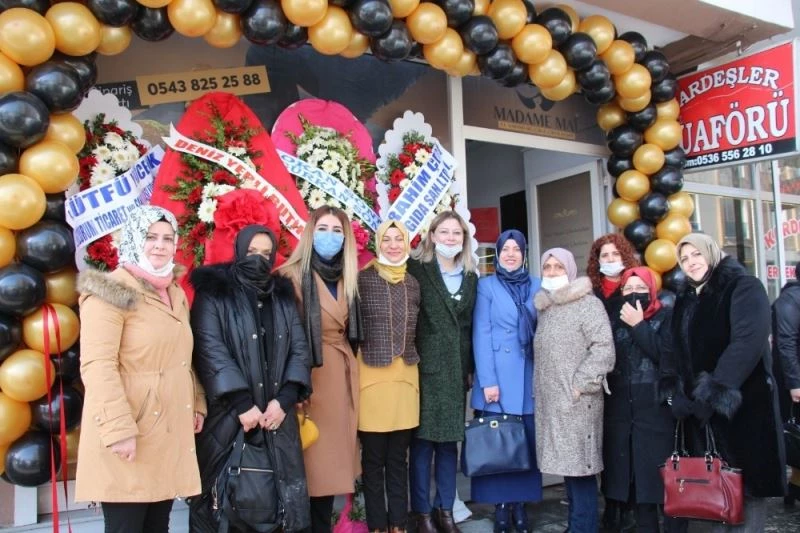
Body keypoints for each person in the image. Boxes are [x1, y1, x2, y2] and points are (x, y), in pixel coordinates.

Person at [75, 206, 206, 533]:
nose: (160, 245)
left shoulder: (173, 291)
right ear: (133, 238)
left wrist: (197, 402)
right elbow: (97, 366)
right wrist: (118, 430)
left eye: (167, 238)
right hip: (130, 431)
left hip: (166, 431)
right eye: (150, 237)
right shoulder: (110, 291)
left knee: (157, 526)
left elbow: (183, 357)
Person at [188, 225, 312, 532]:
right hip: (229, 419)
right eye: (252, 252)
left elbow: (299, 349)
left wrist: (284, 401)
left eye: (266, 254)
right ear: (239, 251)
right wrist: (241, 404)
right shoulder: (215, 294)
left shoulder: (281, 296)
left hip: (276, 420)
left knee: (279, 509)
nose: (259, 259)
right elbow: (209, 349)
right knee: (221, 507)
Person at [659, 233, 786, 532]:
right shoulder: (686, 298)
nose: (691, 262)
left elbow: (747, 344)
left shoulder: (744, 286)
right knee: (715, 498)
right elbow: (670, 349)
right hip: (701, 417)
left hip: (744, 410)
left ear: (712, 253)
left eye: (696, 254)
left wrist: (712, 394)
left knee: (746, 493)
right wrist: (673, 393)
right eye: (684, 259)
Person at [278, 206, 363, 533]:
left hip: (341, 376)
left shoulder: (348, 276)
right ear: (310, 233)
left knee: (330, 475)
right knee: (311, 470)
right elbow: (283, 337)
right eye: (323, 229)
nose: (330, 236)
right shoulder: (290, 275)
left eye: (337, 230)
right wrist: (293, 386)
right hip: (308, 379)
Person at [533, 247, 615, 533]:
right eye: (547, 267)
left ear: (569, 270)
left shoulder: (588, 305)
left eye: (558, 267)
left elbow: (603, 349)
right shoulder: (546, 307)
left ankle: (584, 528)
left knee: (581, 470)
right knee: (568, 469)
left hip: (579, 402)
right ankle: (576, 525)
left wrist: (580, 385)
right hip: (555, 401)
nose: (552, 272)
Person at [407, 211, 478, 533]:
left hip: (456, 371)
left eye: (456, 233)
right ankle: (422, 513)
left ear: (464, 239)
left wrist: (470, 368)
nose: (450, 238)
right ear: (433, 236)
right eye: (445, 232)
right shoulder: (417, 269)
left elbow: (471, 328)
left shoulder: (471, 277)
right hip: (426, 369)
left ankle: (445, 509)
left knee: (449, 444)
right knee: (423, 444)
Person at [469, 230, 542, 533]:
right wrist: (488, 381)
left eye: (517, 249)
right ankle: (501, 506)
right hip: (497, 377)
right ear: (498, 254)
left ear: (524, 254)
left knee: (525, 442)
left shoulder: (538, 285)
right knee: (500, 445)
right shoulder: (487, 286)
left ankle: (520, 505)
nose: (511, 254)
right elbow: (481, 333)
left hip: (529, 375)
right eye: (506, 249)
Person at [603, 267, 678, 533]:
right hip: (624, 414)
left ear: (652, 290)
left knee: (666, 487)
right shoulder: (614, 320)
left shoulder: (666, 316)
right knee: (639, 490)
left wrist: (638, 325)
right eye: (628, 289)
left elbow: (665, 357)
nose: (634, 293)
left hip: (657, 413)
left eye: (641, 288)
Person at [357, 220, 421, 533]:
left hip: (406, 380)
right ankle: (377, 526)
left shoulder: (413, 282)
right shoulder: (362, 279)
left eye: (399, 239)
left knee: (398, 460)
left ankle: (399, 525)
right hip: (370, 379)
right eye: (387, 239)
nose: (393, 245)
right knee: (373, 462)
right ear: (378, 243)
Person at [586, 235, 639, 531]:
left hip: (628, 378)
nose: (609, 260)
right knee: (605, 444)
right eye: (604, 256)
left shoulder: (634, 287)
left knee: (626, 444)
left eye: (615, 255)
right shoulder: (590, 293)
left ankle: (628, 505)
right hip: (598, 378)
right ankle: (611, 503)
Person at [772, 261, 800, 504]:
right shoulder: (790, 300)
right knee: (794, 434)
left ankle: (793, 487)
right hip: (793, 380)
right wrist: (795, 382)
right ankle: (790, 487)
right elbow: (786, 343)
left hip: (792, 377)